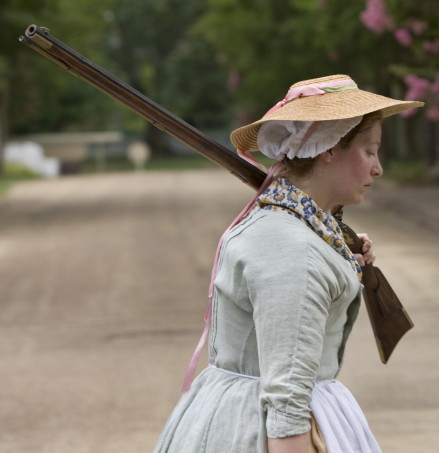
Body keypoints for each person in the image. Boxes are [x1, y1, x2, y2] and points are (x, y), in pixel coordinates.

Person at [154, 74, 423, 453]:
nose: (378, 168)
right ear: (328, 148)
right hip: (261, 430)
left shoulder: (297, 226)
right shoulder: (294, 249)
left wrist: (344, 251)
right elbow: (287, 400)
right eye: (369, 151)